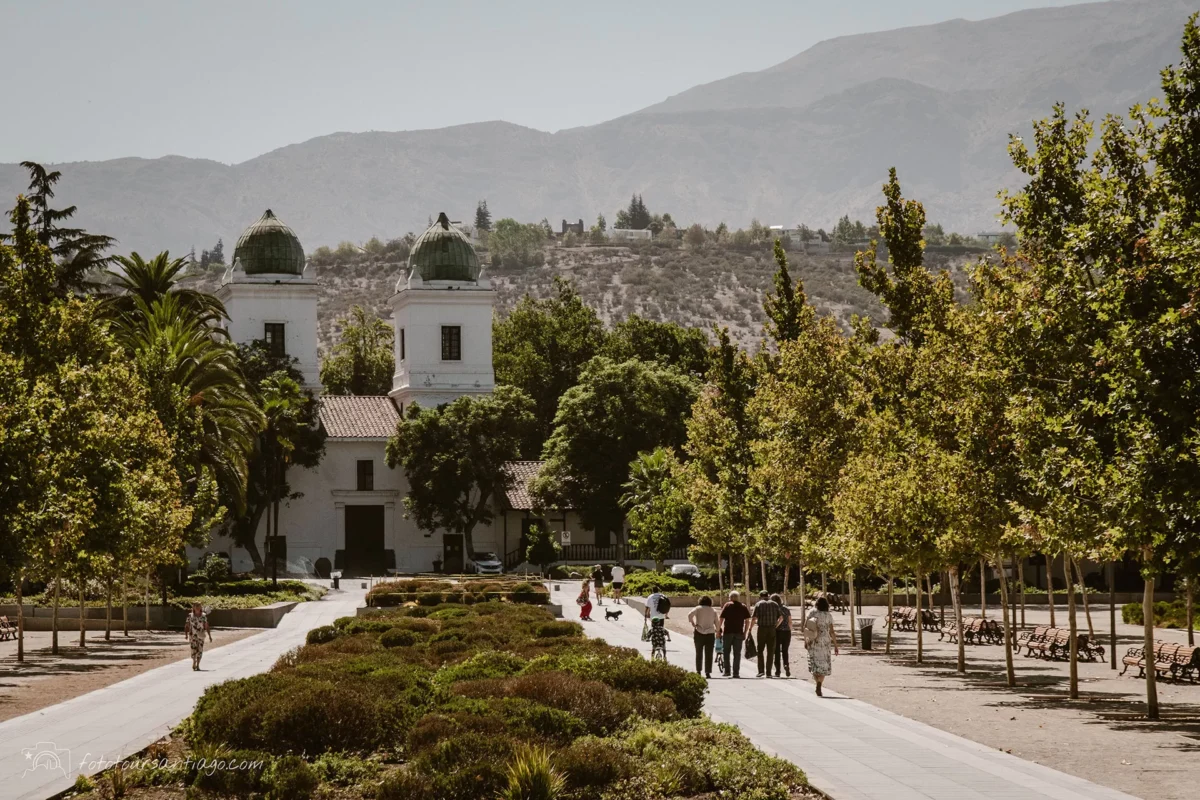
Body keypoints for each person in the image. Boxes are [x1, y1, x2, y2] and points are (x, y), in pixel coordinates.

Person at [804, 595, 840, 696]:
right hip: (825, 641)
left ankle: (817, 683)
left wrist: (805, 641)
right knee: (823, 664)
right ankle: (819, 684)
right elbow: (832, 632)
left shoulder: (811, 612)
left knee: (814, 663)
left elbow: (805, 627)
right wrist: (836, 645)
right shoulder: (828, 615)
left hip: (813, 640)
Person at [717, 590, 751, 678]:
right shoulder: (743, 607)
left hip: (728, 632)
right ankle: (736, 673)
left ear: (730, 598)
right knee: (737, 653)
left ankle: (727, 671)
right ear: (738, 598)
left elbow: (721, 619)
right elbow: (747, 621)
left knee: (726, 652)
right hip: (739, 632)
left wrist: (718, 630)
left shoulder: (727, 605)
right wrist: (745, 632)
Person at [750, 590, 783, 678]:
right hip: (772, 629)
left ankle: (761, 671)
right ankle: (769, 672)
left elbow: (754, 618)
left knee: (760, 650)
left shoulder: (758, 604)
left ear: (760, 596)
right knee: (770, 651)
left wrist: (750, 629)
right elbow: (781, 618)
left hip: (762, 629)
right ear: (768, 596)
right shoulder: (775, 604)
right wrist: (775, 626)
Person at [688, 595, 718, 678]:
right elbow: (717, 622)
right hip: (710, 633)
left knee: (699, 653)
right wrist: (718, 630)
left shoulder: (698, 608)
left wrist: (693, 623)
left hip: (699, 632)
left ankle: (698, 670)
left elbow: (690, 615)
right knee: (709, 654)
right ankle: (708, 672)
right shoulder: (713, 610)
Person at [184, 602, 212, 671]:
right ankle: (194, 661)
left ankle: (198, 665)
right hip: (192, 635)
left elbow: (206, 626)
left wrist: (209, 635)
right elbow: (187, 625)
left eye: (198, 606)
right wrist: (186, 634)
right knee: (193, 649)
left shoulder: (203, 616)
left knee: (200, 650)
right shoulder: (190, 615)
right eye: (196, 606)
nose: (197, 607)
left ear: (200, 607)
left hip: (201, 635)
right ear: (193, 607)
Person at [771, 593, 792, 678]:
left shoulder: (774, 609)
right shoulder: (786, 608)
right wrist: (789, 630)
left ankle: (777, 671)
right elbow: (790, 621)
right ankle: (786, 665)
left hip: (777, 632)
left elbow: (779, 619)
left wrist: (774, 627)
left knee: (776, 651)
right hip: (787, 632)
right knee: (785, 650)